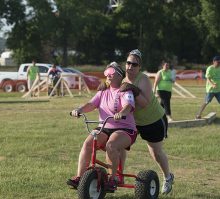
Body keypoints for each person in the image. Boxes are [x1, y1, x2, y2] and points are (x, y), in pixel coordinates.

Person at [67, 62, 138, 191]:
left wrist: (121, 113)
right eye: (106, 73)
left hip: (125, 129)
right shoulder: (103, 91)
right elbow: (90, 104)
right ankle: (80, 177)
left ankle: (112, 179)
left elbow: (128, 106)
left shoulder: (125, 90)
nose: (108, 76)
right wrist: (79, 110)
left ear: (119, 75)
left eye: (111, 73)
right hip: (104, 127)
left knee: (111, 145)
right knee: (88, 144)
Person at [122, 49, 174, 195]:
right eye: (128, 63)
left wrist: (133, 88)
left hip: (154, 120)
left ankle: (168, 177)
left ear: (139, 67)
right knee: (120, 145)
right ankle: (117, 176)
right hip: (134, 122)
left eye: (134, 64)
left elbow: (144, 103)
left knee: (155, 152)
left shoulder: (143, 79)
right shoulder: (123, 80)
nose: (130, 67)